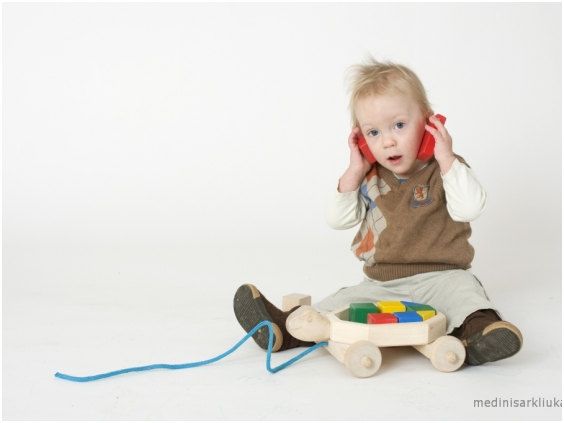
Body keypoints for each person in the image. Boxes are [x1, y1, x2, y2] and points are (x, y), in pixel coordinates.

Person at [233, 58, 522, 366]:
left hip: (443, 276)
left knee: (466, 298)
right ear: (361, 139)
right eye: (373, 133)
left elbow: (470, 206)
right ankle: (282, 329)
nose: (387, 141)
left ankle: (480, 333)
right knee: (338, 305)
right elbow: (339, 220)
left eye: (399, 125)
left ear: (428, 125)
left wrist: (448, 158)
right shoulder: (368, 175)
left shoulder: (446, 168)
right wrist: (353, 172)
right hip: (382, 284)